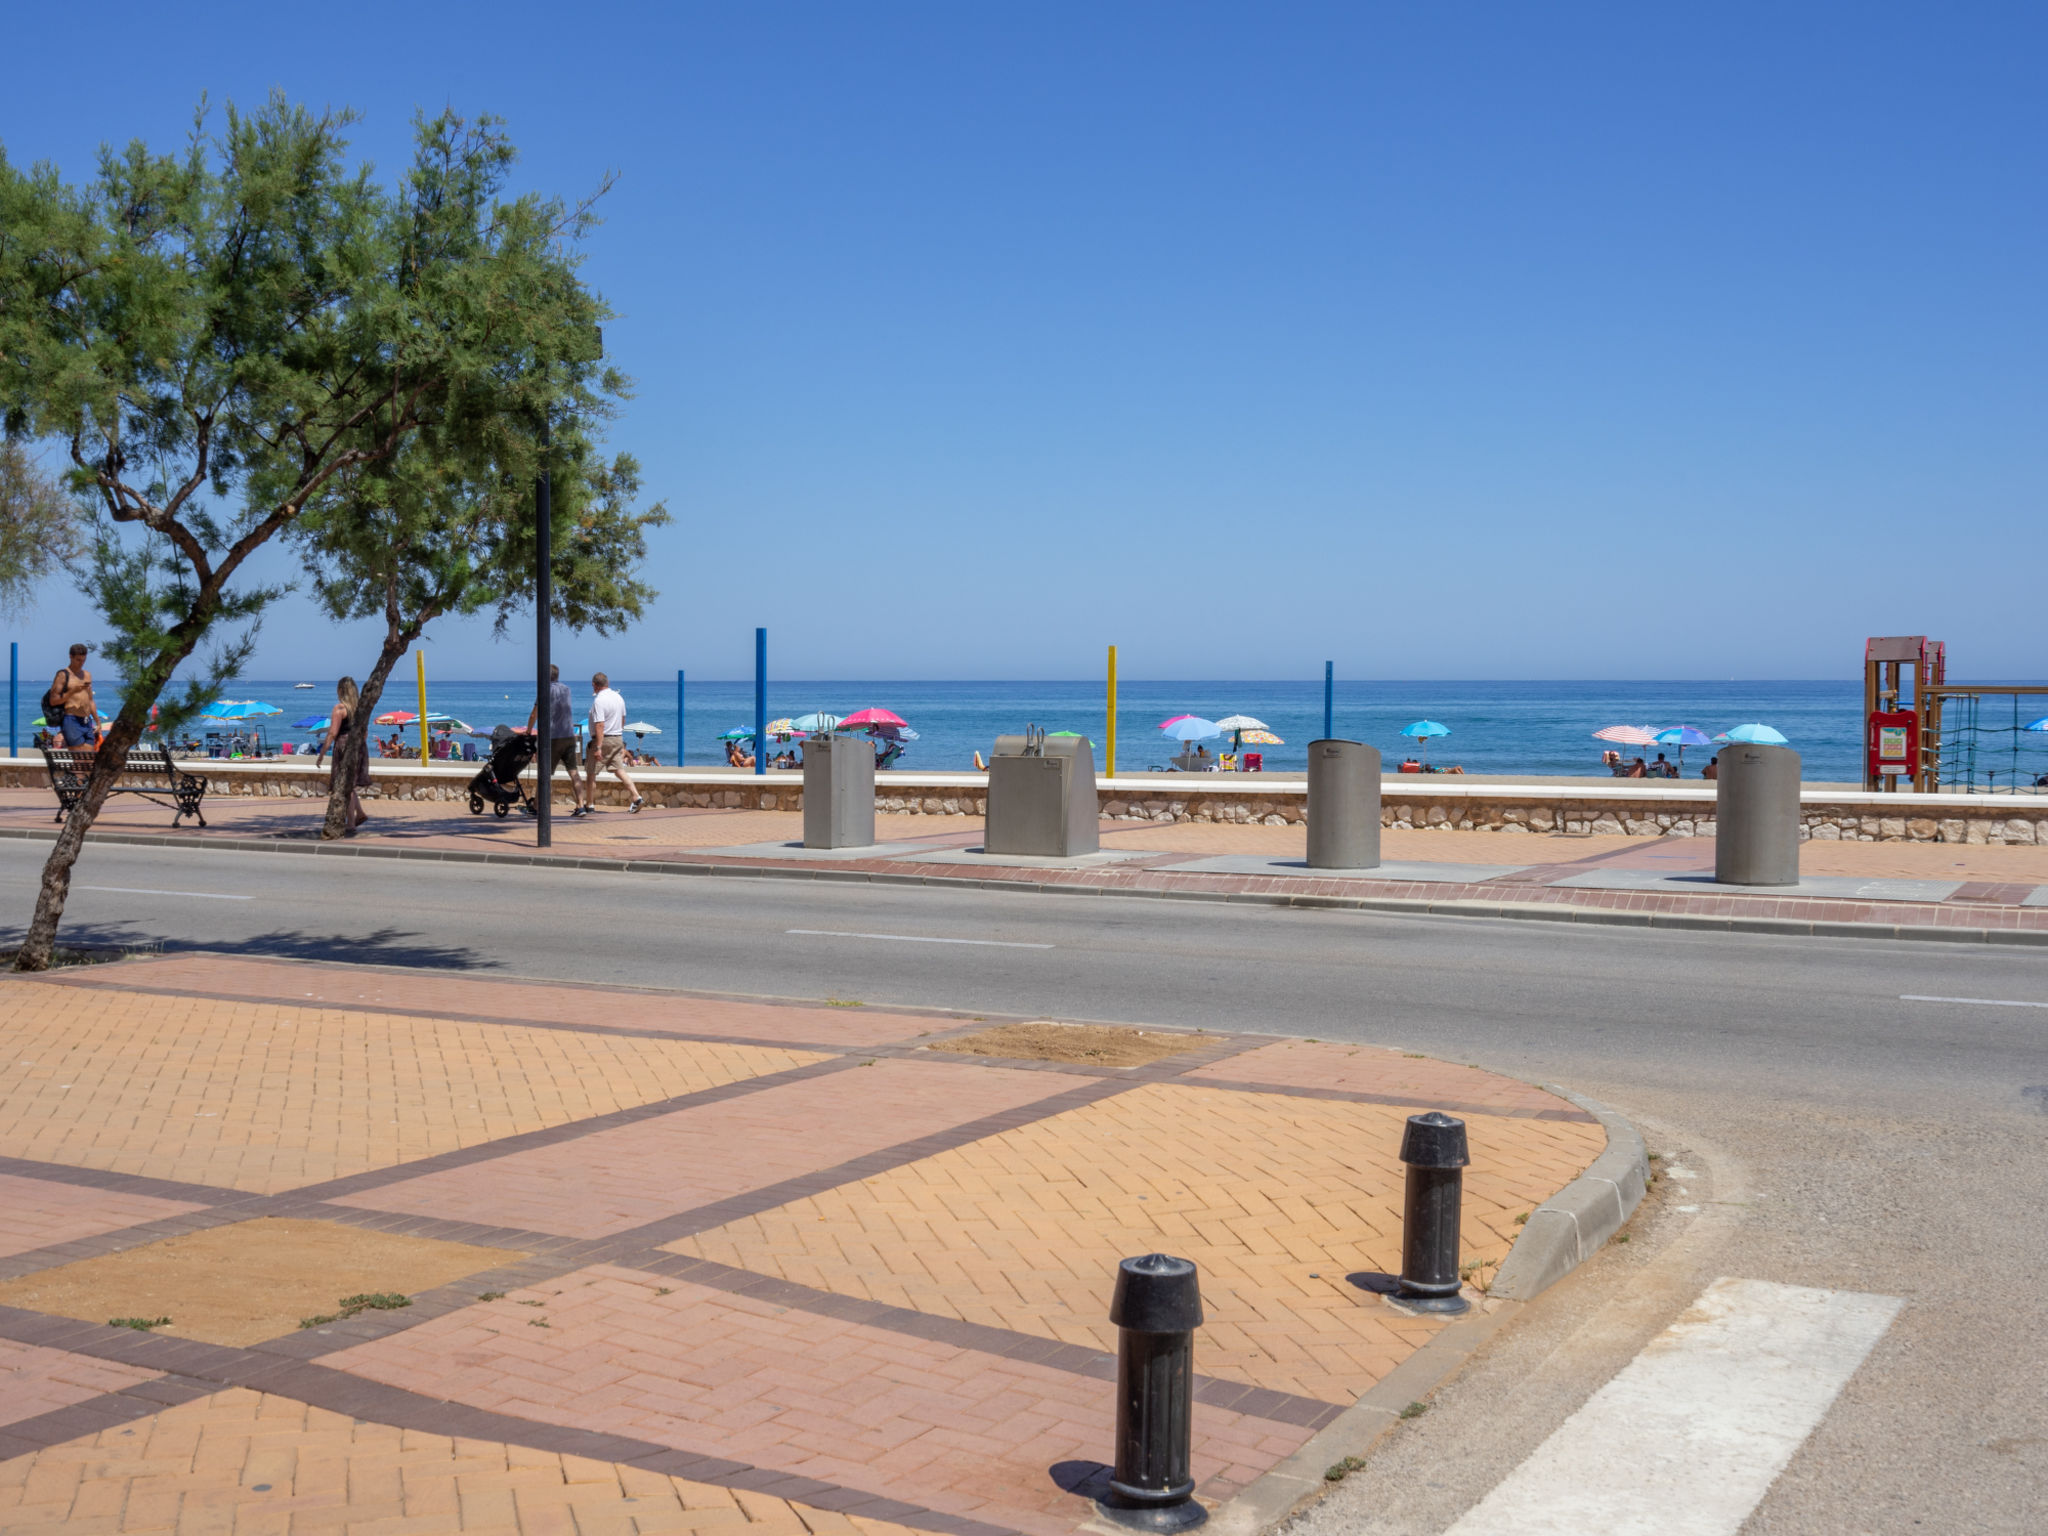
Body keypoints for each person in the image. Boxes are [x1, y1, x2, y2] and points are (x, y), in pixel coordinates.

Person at [577, 671, 642, 815]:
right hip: (617, 738)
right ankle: (636, 796)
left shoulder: (599, 701)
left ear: (594, 685)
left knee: (591, 773)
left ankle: (590, 805)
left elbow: (600, 725)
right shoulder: (619, 697)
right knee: (618, 770)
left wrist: (598, 747)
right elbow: (623, 719)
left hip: (603, 740)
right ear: (607, 684)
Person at [314, 676, 370, 833]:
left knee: (346, 786)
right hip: (359, 746)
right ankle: (359, 813)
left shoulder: (339, 709)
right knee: (350, 785)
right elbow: (365, 732)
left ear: (341, 691)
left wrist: (322, 753)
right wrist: (359, 746)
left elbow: (332, 732)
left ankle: (351, 823)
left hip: (344, 746)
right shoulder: (361, 709)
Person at [524, 663, 580, 815]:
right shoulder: (567, 690)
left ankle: (537, 807)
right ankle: (581, 805)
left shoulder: (544, 691)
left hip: (552, 737)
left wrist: (528, 730)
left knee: (545, 774)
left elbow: (534, 714)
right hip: (568, 735)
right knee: (573, 772)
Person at [48, 643, 99, 748]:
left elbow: (90, 701)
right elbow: (53, 700)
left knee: (89, 759)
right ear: (70, 657)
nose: (81, 663)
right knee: (80, 758)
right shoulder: (63, 675)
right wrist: (72, 691)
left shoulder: (87, 675)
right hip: (71, 719)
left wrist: (98, 721)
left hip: (86, 720)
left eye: (83, 660)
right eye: (78, 660)